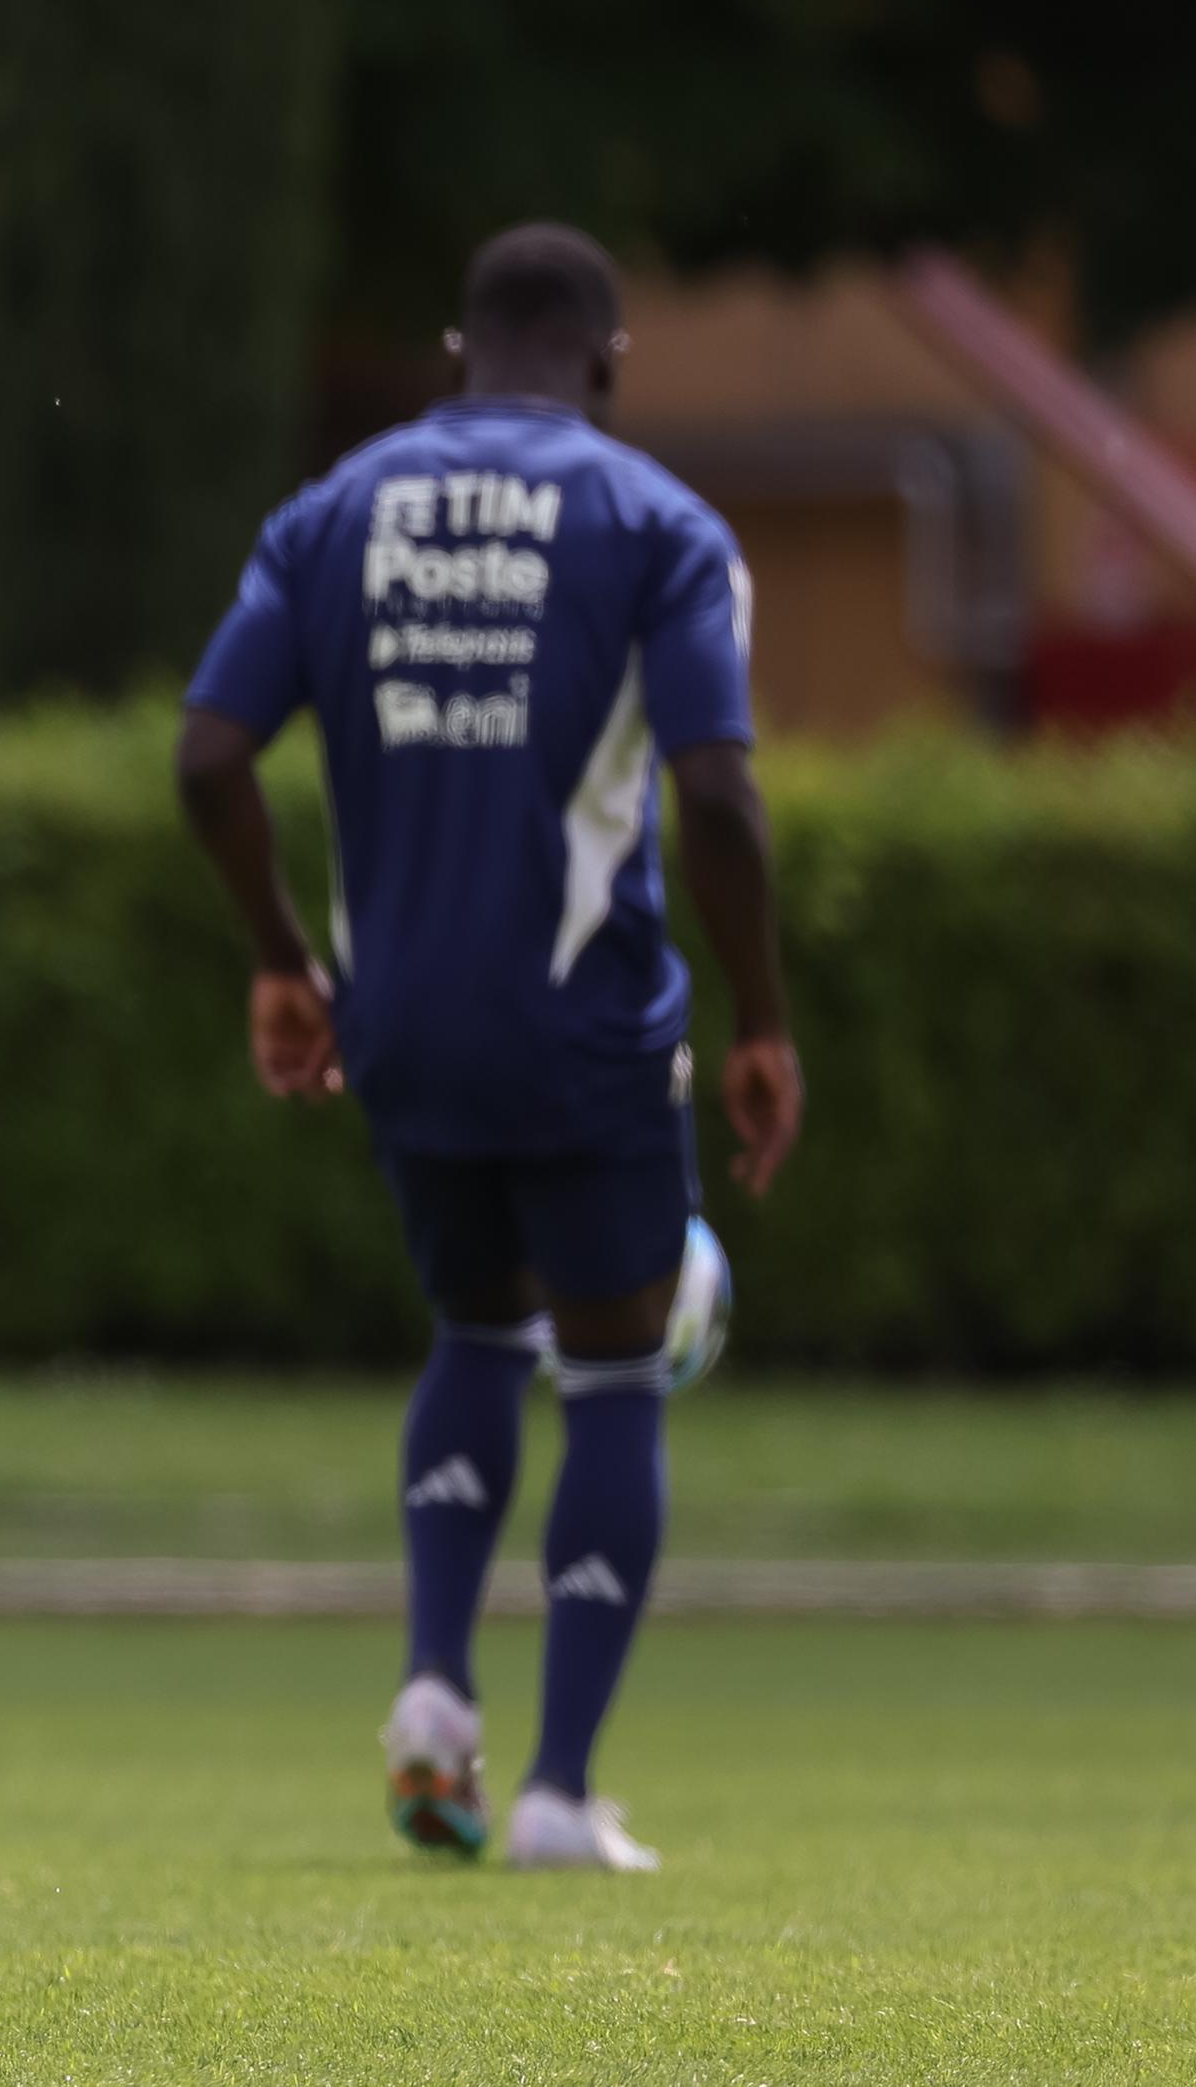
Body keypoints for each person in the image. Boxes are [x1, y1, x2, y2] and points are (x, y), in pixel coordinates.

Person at [171, 223, 803, 1874]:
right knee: (615, 1369)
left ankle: (436, 1691)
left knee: (473, 1329)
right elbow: (720, 794)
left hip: (400, 1029)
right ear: (610, 365)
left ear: (459, 355)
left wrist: (284, 961)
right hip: (589, 1023)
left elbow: (208, 755)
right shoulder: (660, 526)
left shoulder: (331, 514)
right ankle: (557, 1797)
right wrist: (764, 1017)